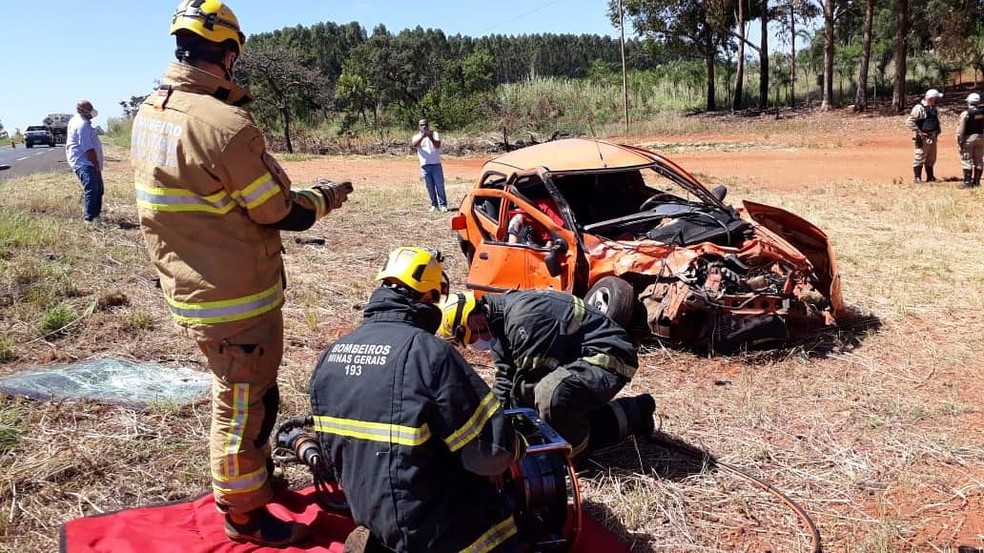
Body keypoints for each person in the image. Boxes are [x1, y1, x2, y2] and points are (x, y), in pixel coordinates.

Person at [130, 0, 353, 547]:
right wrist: (325, 197)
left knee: (250, 396)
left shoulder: (151, 112)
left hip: (194, 285)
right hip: (235, 296)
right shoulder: (224, 125)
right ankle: (243, 513)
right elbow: (278, 210)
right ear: (229, 54)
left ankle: (258, 481)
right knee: (242, 408)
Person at [309, 247, 527, 552]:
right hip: (430, 531)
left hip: (371, 516)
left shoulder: (329, 357)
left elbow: (334, 460)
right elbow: (490, 453)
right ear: (428, 297)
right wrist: (518, 446)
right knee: (500, 522)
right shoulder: (429, 354)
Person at [439, 289, 656, 465]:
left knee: (551, 393)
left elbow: (528, 384)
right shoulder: (498, 327)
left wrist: (516, 434)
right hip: (576, 358)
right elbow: (506, 381)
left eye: (471, 335)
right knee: (553, 408)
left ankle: (575, 456)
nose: (476, 343)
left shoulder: (523, 317)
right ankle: (637, 411)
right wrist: (493, 422)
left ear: (473, 320)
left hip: (609, 356)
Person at [65, 99, 104, 223]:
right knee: (92, 188)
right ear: (82, 111)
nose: (91, 114)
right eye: (89, 110)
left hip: (87, 161)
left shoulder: (78, 121)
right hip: (84, 162)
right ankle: (90, 218)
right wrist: (96, 165)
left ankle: (96, 215)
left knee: (99, 188)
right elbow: (88, 149)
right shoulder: (82, 125)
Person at [906, 88, 943, 183]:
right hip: (923, 138)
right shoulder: (919, 108)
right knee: (919, 157)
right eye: (936, 98)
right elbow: (909, 122)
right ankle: (917, 178)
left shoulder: (933, 108)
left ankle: (930, 177)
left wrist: (938, 131)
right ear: (930, 98)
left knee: (931, 158)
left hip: (933, 137)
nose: (938, 100)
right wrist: (919, 132)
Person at [410, 118, 448, 212]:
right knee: (430, 186)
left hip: (436, 164)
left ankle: (443, 205)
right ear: (419, 127)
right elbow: (414, 145)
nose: (424, 126)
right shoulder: (416, 136)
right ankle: (434, 205)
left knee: (439, 185)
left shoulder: (434, 134)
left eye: (425, 124)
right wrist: (423, 136)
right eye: (422, 125)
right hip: (425, 165)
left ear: (428, 125)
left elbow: (437, 145)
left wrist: (430, 137)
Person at [956, 92, 984, 188]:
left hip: (969, 139)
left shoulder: (966, 113)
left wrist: (960, 141)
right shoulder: (982, 112)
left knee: (967, 159)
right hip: (981, 138)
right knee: (979, 160)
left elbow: (961, 129)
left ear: (969, 102)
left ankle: (967, 182)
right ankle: (976, 182)